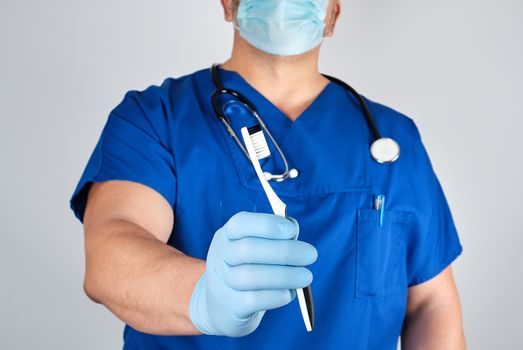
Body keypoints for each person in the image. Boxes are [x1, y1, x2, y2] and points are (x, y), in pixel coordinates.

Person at [69, 0, 466, 349]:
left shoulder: (393, 140)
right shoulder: (155, 118)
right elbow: (110, 253)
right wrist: (204, 296)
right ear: (228, 5)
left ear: (332, 15)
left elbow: (431, 302)